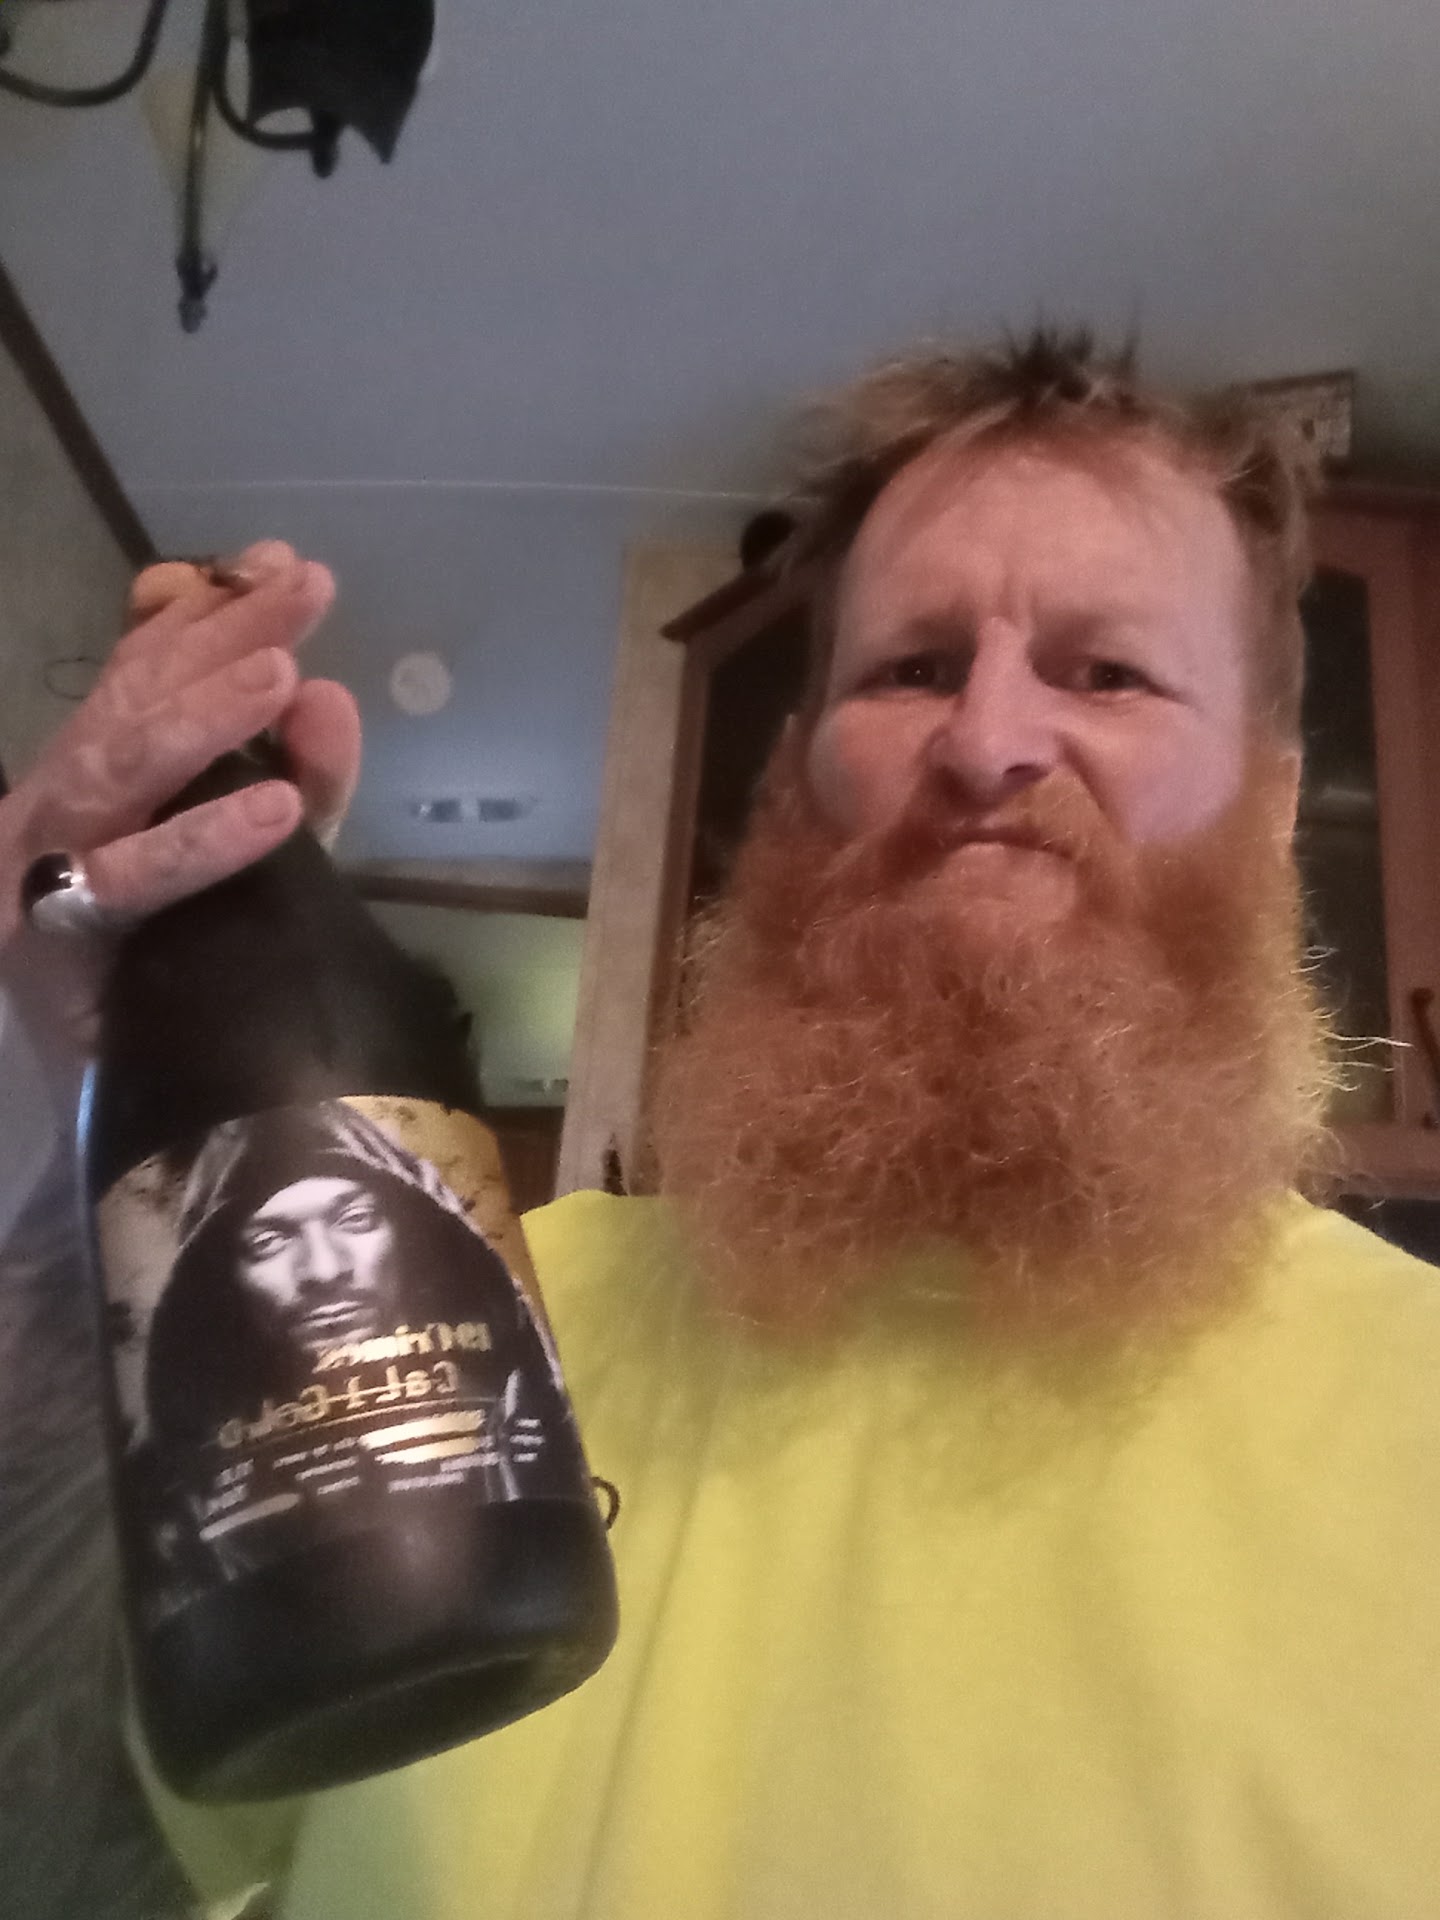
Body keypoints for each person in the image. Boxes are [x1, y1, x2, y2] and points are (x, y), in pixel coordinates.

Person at [2, 331, 1439, 1919]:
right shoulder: (467, 1318)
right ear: (799, 781)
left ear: (1271, 804)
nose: (985, 741)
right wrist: (119, 1137)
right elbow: (67, 1854)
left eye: (1108, 673)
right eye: (910, 667)